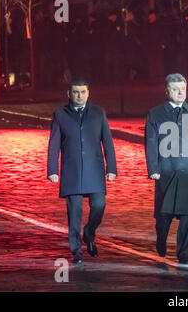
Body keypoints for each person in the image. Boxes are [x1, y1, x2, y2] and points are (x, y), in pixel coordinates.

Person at [47, 78, 117, 264]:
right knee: (74, 212)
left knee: (99, 205)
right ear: (69, 94)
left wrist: (112, 167)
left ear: (88, 93)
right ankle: (76, 252)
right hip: (72, 170)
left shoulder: (98, 113)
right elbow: (54, 143)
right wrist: (52, 169)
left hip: (95, 169)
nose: (79, 96)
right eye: (76, 92)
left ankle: (89, 232)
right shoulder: (60, 114)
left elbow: (107, 142)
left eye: (83, 92)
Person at [145, 73, 188, 265]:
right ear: (167, 91)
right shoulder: (156, 114)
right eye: (175, 89)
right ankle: (161, 237)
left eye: (183, 89)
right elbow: (151, 142)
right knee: (165, 213)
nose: (180, 92)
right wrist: (153, 168)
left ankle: (183, 251)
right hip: (167, 170)